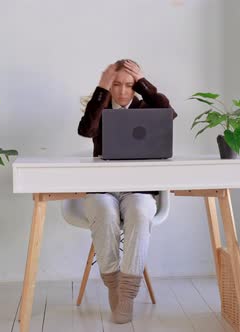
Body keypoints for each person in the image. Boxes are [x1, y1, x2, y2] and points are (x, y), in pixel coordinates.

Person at [77, 59, 176, 323]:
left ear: (136, 87)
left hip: (139, 190)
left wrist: (144, 84)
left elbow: (169, 114)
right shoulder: (100, 108)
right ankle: (114, 285)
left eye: (129, 85)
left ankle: (128, 293)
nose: (122, 91)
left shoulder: (147, 107)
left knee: (141, 212)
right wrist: (101, 88)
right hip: (103, 190)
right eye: (116, 84)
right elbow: (86, 130)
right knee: (103, 211)